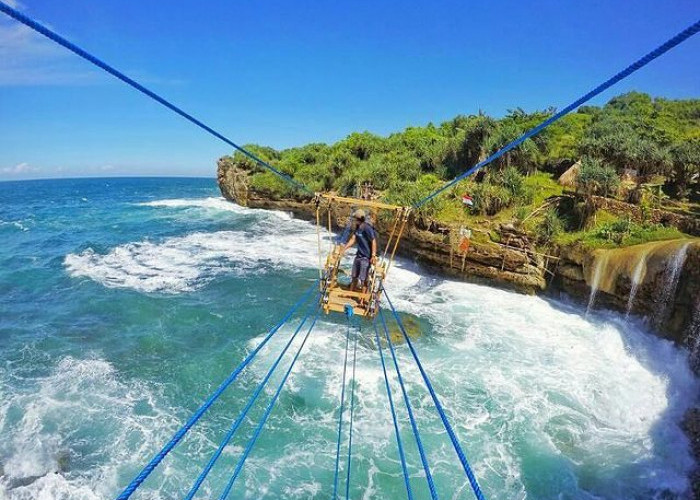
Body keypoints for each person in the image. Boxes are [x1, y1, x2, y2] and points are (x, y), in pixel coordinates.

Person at [341, 209, 377, 291]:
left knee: (363, 279)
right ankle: (350, 294)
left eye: (354, 219)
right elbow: (353, 239)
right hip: (358, 255)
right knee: (354, 276)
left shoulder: (367, 228)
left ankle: (362, 299)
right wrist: (344, 249)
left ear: (357, 219)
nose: (353, 220)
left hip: (366, 257)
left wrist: (373, 255)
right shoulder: (357, 228)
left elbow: (373, 241)